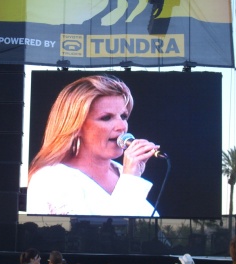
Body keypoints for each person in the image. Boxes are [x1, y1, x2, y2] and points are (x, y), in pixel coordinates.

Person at [27, 75, 160, 217]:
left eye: (123, 116)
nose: (122, 126)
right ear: (76, 126)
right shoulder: (51, 178)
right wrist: (131, 181)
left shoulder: (123, 172)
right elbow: (101, 236)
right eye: (106, 117)